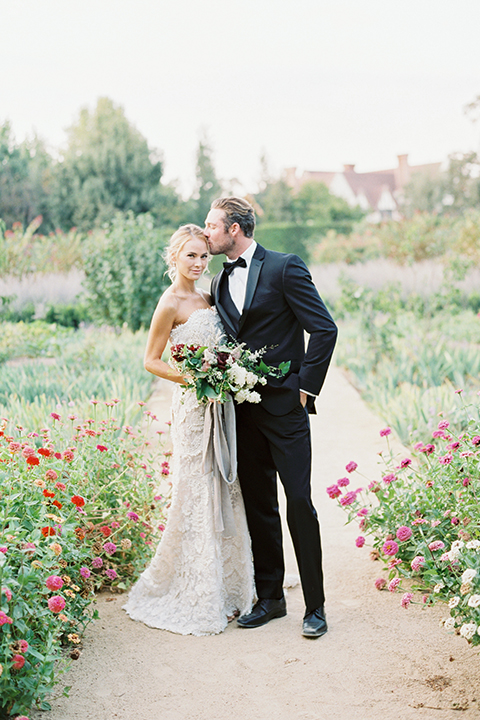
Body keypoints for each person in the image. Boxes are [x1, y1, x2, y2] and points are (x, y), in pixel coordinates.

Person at [205, 197, 338, 638]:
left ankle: (315, 607)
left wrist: (305, 388)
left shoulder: (284, 267)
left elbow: (324, 328)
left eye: (213, 226)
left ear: (236, 229)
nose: (207, 234)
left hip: (286, 409)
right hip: (241, 413)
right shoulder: (220, 282)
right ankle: (271, 598)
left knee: (299, 502)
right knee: (260, 505)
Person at [123, 224, 254, 636]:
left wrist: (227, 374)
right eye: (191, 256)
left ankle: (234, 584)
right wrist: (197, 379)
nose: (198, 264)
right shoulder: (170, 302)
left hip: (222, 406)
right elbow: (152, 360)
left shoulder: (210, 294)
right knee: (196, 490)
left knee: (227, 487)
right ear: (175, 257)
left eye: (203, 257)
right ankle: (196, 588)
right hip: (194, 409)